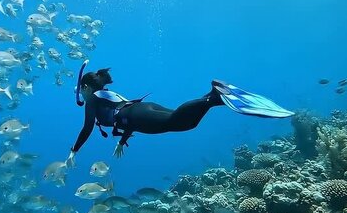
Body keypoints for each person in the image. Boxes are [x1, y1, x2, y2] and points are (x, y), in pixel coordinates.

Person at [66, 60, 294, 165]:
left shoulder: (92, 101)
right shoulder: (107, 95)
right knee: (182, 121)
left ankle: (213, 96)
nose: (80, 94)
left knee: (177, 122)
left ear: (86, 88)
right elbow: (124, 118)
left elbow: (87, 128)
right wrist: (122, 142)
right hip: (139, 111)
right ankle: (217, 99)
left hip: (135, 115)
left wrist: (73, 151)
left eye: (80, 90)